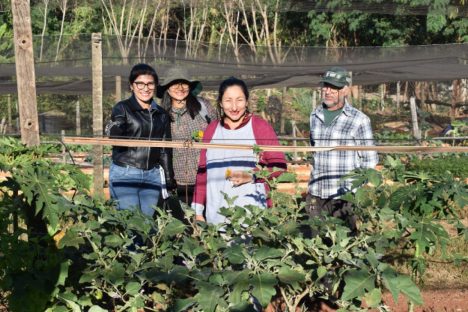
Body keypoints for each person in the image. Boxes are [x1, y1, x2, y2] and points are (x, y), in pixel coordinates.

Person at [191, 77, 287, 225]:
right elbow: (203, 172)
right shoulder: (212, 130)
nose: (234, 107)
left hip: (252, 217)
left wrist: (252, 176)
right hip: (216, 216)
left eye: (239, 100)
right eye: (228, 100)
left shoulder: (259, 127)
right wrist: (197, 211)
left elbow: (279, 166)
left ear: (247, 102)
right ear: (221, 103)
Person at [307, 66, 379, 231]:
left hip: (343, 196)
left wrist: (354, 189)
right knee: (314, 245)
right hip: (316, 192)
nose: (328, 91)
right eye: (326, 85)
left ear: (346, 90)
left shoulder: (359, 120)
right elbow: (314, 151)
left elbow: (370, 161)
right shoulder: (314, 116)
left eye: (335, 87)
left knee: (344, 246)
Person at [106, 63, 176, 217]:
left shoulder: (162, 114)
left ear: (155, 86)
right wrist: (115, 127)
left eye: (150, 83)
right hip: (126, 172)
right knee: (132, 224)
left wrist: (169, 177)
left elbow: (165, 149)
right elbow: (114, 132)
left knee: (147, 225)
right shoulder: (122, 108)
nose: (145, 88)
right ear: (132, 86)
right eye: (140, 83)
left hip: (152, 175)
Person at [157, 67, 217, 210]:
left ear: (190, 86)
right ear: (167, 88)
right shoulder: (161, 114)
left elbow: (218, 132)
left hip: (205, 178)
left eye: (184, 83)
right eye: (174, 83)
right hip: (176, 182)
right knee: (180, 223)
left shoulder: (204, 107)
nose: (180, 88)